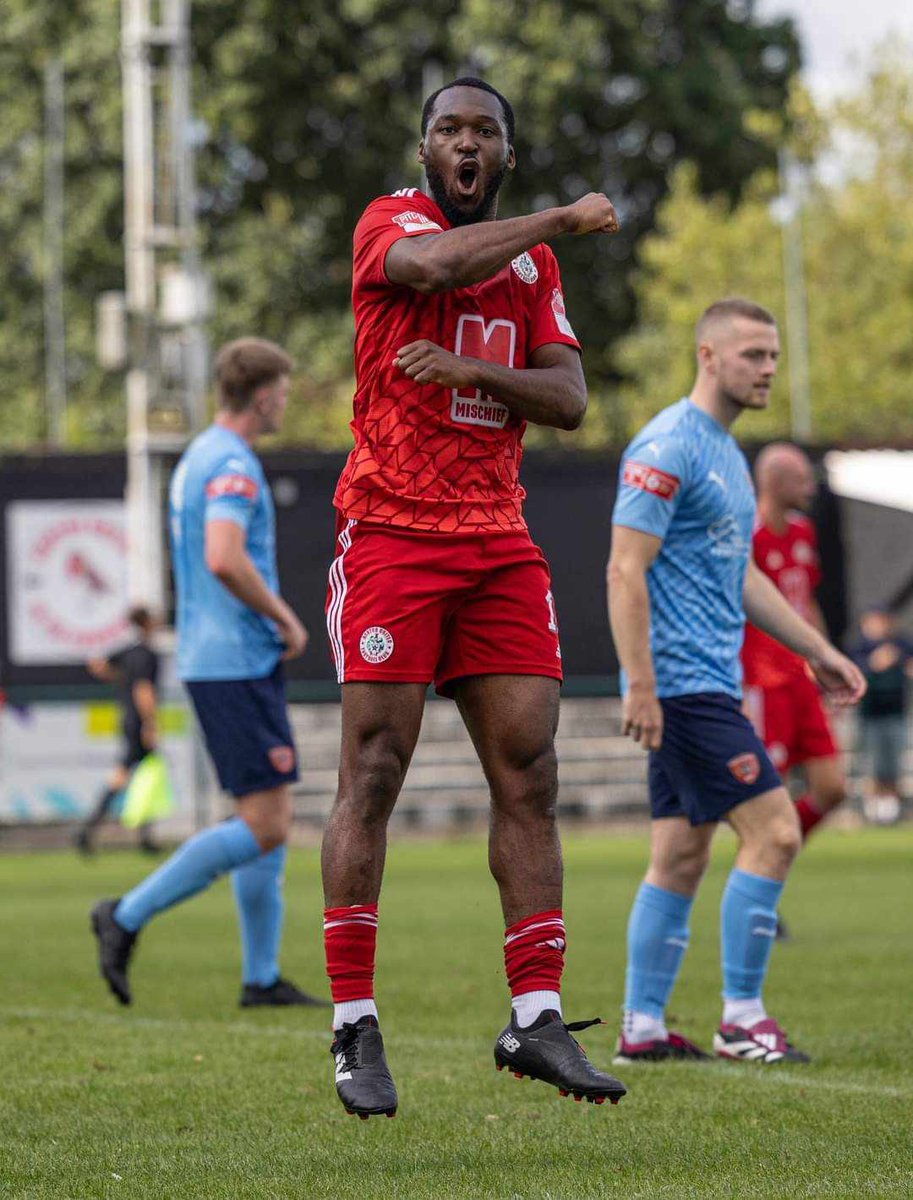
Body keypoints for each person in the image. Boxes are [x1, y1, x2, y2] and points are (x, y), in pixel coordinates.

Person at [321, 76, 626, 1119]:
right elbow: (438, 265)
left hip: (496, 540)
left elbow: (570, 399)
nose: (466, 142)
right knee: (373, 769)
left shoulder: (533, 267)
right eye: (449, 128)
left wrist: (471, 369)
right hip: (392, 530)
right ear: (425, 151)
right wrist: (560, 217)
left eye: (484, 131)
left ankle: (535, 1017)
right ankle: (353, 1024)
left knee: (529, 772)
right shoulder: (389, 222)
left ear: (504, 153)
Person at [608, 298, 865, 1066]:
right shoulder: (666, 445)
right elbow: (624, 568)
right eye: (753, 354)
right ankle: (741, 1020)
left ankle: (641, 1028)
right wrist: (640, 684)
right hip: (682, 686)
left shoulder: (722, 451)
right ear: (708, 355)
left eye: (773, 356)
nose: (767, 369)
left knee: (679, 857)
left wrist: (815, 649)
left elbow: (740, 572)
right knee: (776, 832)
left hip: (707, 682)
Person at [91, 337, 327, 1010]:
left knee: (265, 813)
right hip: (235, 661)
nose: (285, 402)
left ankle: (261, 977)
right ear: (263, 396)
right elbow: (224, 556)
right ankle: (124, 915)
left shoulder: (198, 456)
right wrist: (284, 616)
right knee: (268, 824)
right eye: (284, 392)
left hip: (219, 658)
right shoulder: (232, 462)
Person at [742, 444, 846, 842]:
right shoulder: (749, 535)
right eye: (801, 480)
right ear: (775, 483)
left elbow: (807, 601)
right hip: (764, 683)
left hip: (801, 678)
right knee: (770, 796)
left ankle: (771, 853)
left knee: (832, 788)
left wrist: (825, 657)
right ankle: (764, 857)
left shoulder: (803, 530)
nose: (810, 488)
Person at [76, 606, 161, 855]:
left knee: (141, 776)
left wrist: (121, 678)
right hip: (139, 721)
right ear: (147, 623)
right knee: (138, 777)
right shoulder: (146, 655)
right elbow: (144, 690)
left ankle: (142, 836)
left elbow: (97, 664)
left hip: (127, 718)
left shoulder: (128, 652)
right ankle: (91, 830)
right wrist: (150, 723)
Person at [850, 607, 913, 824]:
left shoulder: (900, 645)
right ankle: (873, 809)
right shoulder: (859, 649)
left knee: (894, 764)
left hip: (896, 713)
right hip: (870, 716)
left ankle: (893, 810)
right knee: (873, 763)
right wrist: (873, 664)